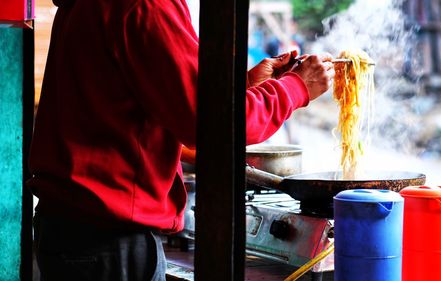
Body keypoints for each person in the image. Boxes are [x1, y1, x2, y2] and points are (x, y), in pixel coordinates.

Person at [29, 0, 334, 280]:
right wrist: (296, 87)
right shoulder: (147, 5)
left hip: (70, 228)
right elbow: (215, 123)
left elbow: (154, 94)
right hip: (108, 239)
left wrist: (245, 85)